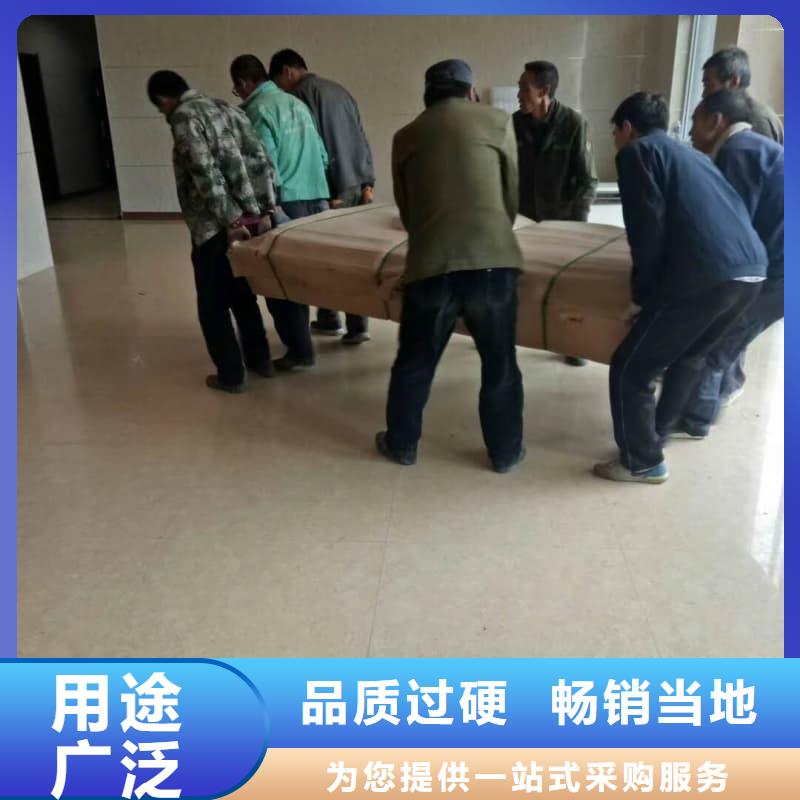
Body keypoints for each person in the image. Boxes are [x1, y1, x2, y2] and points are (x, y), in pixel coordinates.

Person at [593, 92, 767, 484]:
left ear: (626, 129)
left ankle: (642, 462)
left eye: (615, 133)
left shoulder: (637, 153)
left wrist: (643, 298)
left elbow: (646, 231)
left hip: (707, 277)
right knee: (691, 356)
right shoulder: (691, 155)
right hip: (752, 272)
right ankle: (656, 436)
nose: (616, 141)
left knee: (631, 367)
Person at [376, 59, 525, 473]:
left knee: (415, 361)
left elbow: (407, 209)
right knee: (500, 364)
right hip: (493, 261)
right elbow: (510, 196)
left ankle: (402, 444)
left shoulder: (406, 136)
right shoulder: (498, 121)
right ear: (470, 92)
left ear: (427, 95)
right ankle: (505, 453)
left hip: (431, 264)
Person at [146, 70, 277, 393]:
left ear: (163, 100)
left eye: (160, 108)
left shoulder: (185, 116)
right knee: (242, 293)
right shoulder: (228, 108)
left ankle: (231, 375)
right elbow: (261, 158)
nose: (164, 114)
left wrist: (231, 220)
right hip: (250, 216)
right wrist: (262, 209)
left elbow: (204, 171)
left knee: (212, 303)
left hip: (214, 226)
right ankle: (260, 360)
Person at [672, 89, 783, 437]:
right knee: (728, 334)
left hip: (780, 272)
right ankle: (704, 406)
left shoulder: (737, 153)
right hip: (777, 263)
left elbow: (733, 228)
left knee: (717, 340)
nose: (690, 131)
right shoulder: (750, 147)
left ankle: (696, 420)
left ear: (716, 121)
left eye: (695, 121)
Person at [269, 48, 374, 344]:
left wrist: (331, 189)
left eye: (277, 82)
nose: (279, 90)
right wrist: (367, 181)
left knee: (323, 259)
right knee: (351, 256)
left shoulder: (300, 96)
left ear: (288, 71)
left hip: (330, 186)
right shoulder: (339, 90)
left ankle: (331, 319)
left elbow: (314, 146)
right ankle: (355, 324)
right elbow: (360, 136)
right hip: (355, 183)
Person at [230, 53, 328, 372]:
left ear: (243, 83)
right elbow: (322, 154)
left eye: (237, 89)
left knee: (278, 279)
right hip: (317, 197)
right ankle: (311, 336)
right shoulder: (296, 103)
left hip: (285, 203)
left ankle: (300, 350)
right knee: (306, 275)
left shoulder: (256, 111)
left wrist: (264, 209)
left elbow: (264, 167)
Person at [514, 60, 598, 367]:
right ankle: (509, 335)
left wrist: (576, 227)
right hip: (523, 220)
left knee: (569, 287)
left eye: (524, 88)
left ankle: (574, 344)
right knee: (518, 280)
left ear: (544, 91)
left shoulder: (573, 124)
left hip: (562, 222)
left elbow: (587, 181)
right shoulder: (515, 124)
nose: (518, 94)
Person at [702, 47, 784, 143]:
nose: (704, 94)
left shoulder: (756, 120)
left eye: (709, 86)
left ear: (733, 82)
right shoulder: (730, 115)